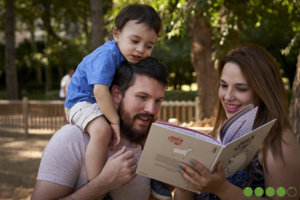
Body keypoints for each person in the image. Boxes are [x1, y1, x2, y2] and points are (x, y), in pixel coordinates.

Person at [64, 4, 171, 200]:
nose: (140, 50)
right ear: (116, 34)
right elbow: (99, 90)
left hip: (98, 102)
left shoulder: (128, 57)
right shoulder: (107, 55)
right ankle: (97, 184)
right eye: (135, 41)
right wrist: (114, 121)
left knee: (146, 129)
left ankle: (156, 178)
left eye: (149, 46)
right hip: (81, 101)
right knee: (102, 130)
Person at [31, 57, 169, 200]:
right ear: (116, 94)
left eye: (158, 100)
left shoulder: (149, 144)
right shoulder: (73, 139)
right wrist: (103, 184)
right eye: (142, 97)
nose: (152, 109)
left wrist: (180, 186)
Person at [174, 44, 300, 200]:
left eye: (240, 89)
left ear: (262, 92)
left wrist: (222, 189)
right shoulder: (217, 135)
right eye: (224, 85)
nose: (227, 96)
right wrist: (184, 183)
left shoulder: (279, 141)